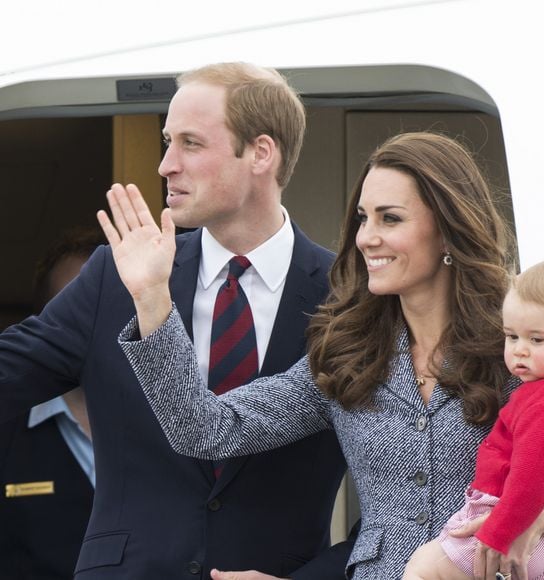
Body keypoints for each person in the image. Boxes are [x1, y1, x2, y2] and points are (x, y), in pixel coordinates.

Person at [100, 130, 544, 580]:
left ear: (448, 230)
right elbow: (205, 430)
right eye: (363, 219)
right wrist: (151, 300)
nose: (366, 237)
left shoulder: (524, 347)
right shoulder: (347, 353)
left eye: (390, 218)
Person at [0, 62, 350, 579]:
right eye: (167, 141)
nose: (166, 164)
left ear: (260, 152)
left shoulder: (347, 298)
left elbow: (404, 501)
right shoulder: (112, 276)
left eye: (190, 143)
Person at [402, 257, 544, 580]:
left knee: (424, 569)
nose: (520, 350)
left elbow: (532, 479)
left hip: (514, 526)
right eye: (512, 337)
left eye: (537, 339)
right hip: (532, 531)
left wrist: (498, 533)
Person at [0, 229, 103, 579]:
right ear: (42, 324)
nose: (93, 324)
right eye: (74, 308)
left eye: (110, 304)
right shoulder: (7, 430)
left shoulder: (177, 423)